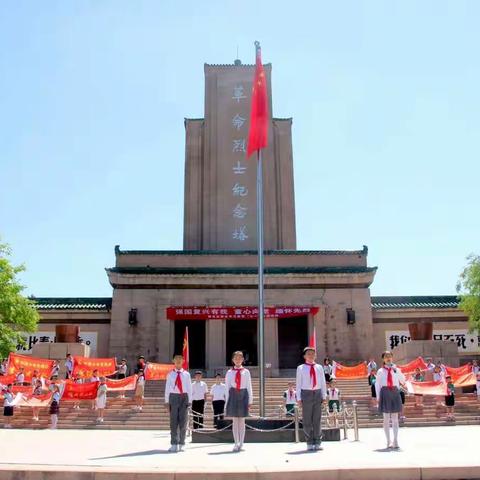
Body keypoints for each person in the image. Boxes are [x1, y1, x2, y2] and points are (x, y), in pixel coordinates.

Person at [295, 346, 327, 452]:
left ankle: (318, 441)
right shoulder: (301, 368)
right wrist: (299, 398)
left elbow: (322, 382)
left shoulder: (319, 367)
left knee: (317, 419)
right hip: (306, 393)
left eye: (313, 354)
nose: (311, 356)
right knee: (307, 419)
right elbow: (298, 384)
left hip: (317, 393)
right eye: (308, 354)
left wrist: (324, 396)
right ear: (304, 356)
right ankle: (309, 442)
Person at [375, 350, 405, 450]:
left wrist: (397, 370)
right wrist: (378, 397)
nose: (388, 358)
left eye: (390, 356)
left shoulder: (396, 369)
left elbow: (403, 380)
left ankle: (395, 440)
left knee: (395, 418)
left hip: (395, 392)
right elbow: (377, 384)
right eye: (386, 356)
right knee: (386, 418)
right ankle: (388, 441)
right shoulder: (380, 371)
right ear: (383, 359)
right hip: (385, 392)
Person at [225, 351, 253, 452]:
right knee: (235, 421)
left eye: (239, 358)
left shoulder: (246, 372)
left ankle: (242, 442)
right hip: (233, 394)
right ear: (233, 360)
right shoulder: (229, 372)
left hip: (243, 394)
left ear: (242, 360)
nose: (237, 360)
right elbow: (227, 387)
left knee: (242, 420)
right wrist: (226, 402)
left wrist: (250, 400)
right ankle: (236, 442)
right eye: (235, 358)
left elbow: (249, 386)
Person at [164, 354, 192, 453]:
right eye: (176, 359)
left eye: (180, 359)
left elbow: (189, 388)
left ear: (183, 361)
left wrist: (190, 400)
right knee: (173, 421)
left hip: (184, 397)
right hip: (173, 397)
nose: (178, 361)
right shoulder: (170, 374)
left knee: (183, 421)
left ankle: (181, 443)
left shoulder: (187, 374)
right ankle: (174, 443)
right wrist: (167, 402)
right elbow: (167, 388)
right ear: (173, 361)